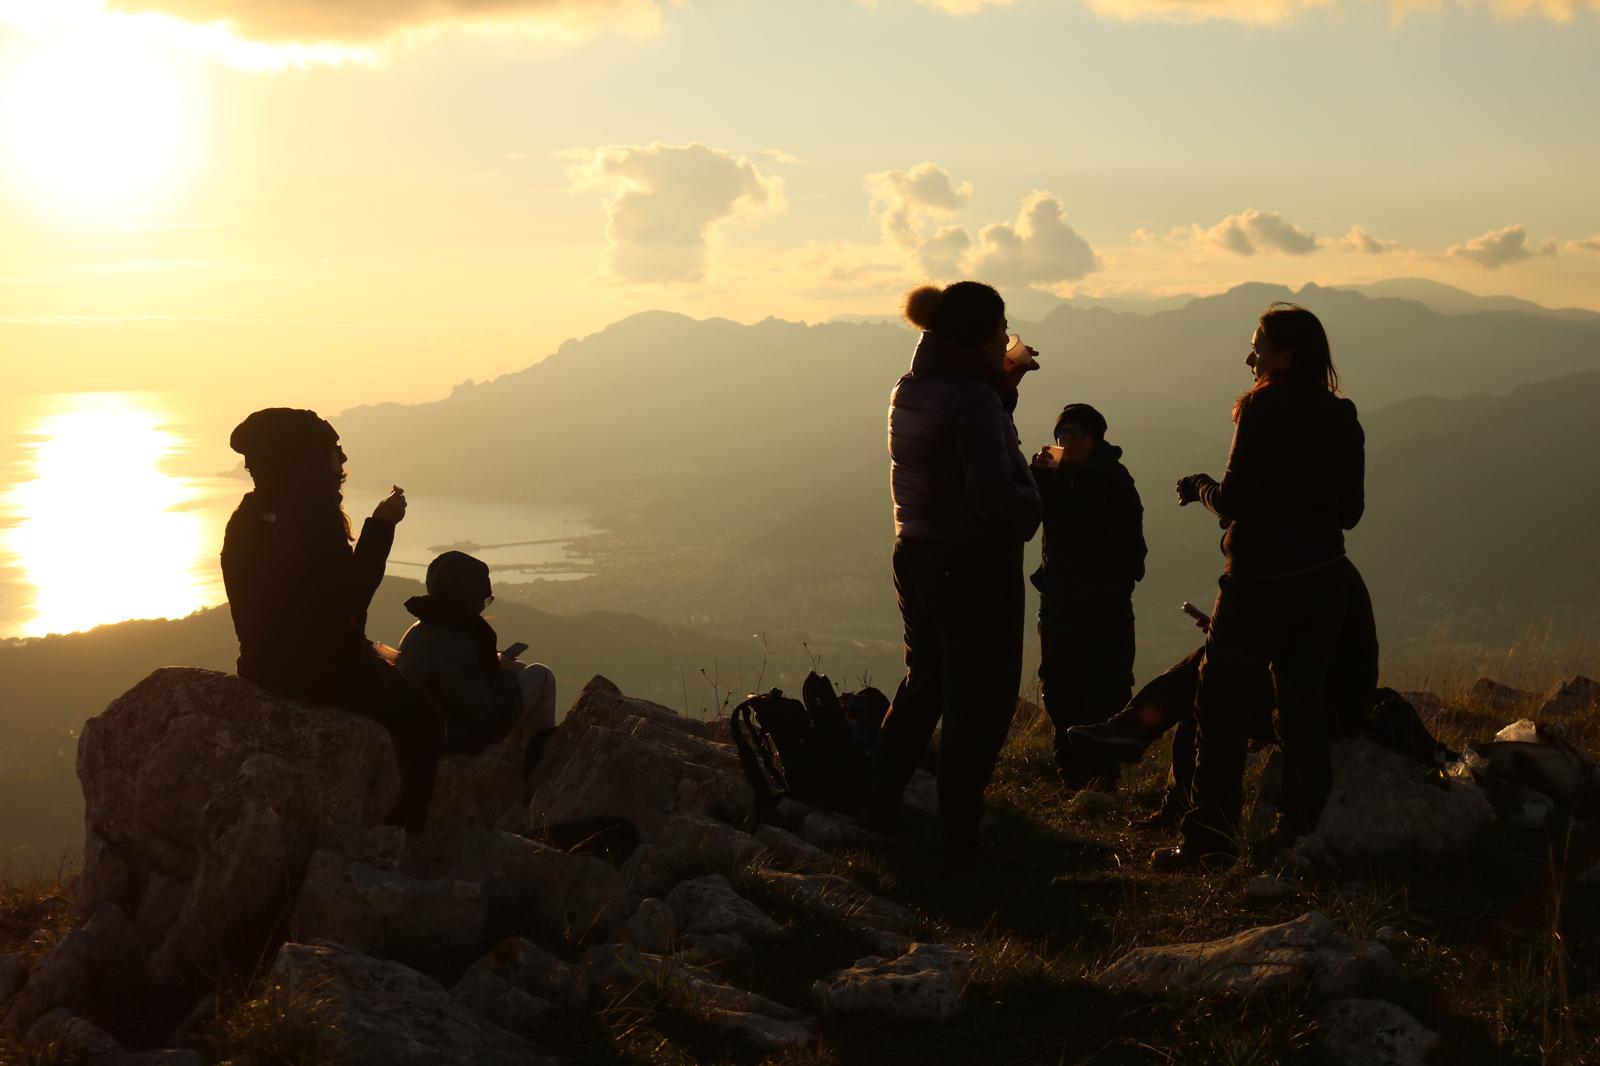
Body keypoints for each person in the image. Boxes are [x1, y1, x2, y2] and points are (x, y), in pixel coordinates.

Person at [1158, 302, 1371, 868]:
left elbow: (1235, 499)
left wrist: (1199, 486)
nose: (1249, 359)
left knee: (1220, 704)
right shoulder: (1342, 416)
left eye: (1258, 348)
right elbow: (1351, 512)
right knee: (1302, 703)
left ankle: (1209, 839)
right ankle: (1298, 828)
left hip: (1256, 583)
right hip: (1323, 579)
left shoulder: (1261, 408)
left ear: (1286, 357)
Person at [860, 280, 1043, 861]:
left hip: (915, 551)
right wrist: (1037, 499)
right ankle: (960, 836)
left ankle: (879, 806)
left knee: (925, 683)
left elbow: (956, 444)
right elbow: (994, 498)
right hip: (971, 563)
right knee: (979, 700)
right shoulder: (971, 399)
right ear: (982, 335)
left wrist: (1002, 389)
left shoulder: (912, 385)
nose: (1006, 339)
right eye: (1002, 329)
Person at [220, 408, 444, 832]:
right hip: (319, 672)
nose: (342, 461)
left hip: (264, 668)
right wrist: (381, 526)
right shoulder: (308, 520)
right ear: (302, 459)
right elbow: (350, 597)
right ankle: (406, 832)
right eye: (333, 451)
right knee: (423, 721)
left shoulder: (251, 517)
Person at [1028, 402, 1146, 787]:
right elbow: (1028, 517)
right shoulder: (1052, 475)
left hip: (1104, 603)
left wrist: (1118, 580)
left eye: (1078, 433)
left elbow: (1131, 541)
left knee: (1106, 686)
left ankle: (1103, 776)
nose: (1068, 439)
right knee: (1059, 686)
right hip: (1059, 599)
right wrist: (1036, 476)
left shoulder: (1114, 479)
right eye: (1063, 432)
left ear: (1096, 439)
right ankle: (1072, 774)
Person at [396, 550, 558, 756]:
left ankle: (516, 755)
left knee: (519, 668)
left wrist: (499, 667)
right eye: (483, 599)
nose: (483, 607)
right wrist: (505, 674)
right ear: (468, 597)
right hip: (454, 739)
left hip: (429, 729)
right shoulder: (453, 641)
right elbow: (485, 714)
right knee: (541, 676)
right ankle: (539, 759)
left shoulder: (423, 626)